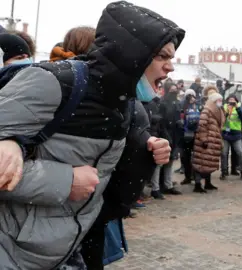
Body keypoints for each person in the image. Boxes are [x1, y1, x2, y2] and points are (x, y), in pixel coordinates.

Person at [0, 1, 181, 269]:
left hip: (72, 249)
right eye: (162, 57)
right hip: (12, 252)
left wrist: (145, 148)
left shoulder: (124, 101)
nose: (170, 68)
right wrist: (65, 180)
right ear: (134, 53)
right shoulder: (54, 82)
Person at [192, 92, 225, 192]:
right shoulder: (207, 110)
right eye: (219, 100)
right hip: (206, 141)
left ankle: (208, 182)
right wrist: (204, 139)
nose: (220, 102)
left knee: (208, 162)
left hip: (213, 140)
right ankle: (197, 184)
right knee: (200, 162)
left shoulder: (218, 110)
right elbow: (202, 125)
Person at [158, 82, 183, 195]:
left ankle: (168, 184)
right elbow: (161, 121)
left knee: (171, 160)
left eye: (175, 90)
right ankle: (159, 184)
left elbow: (179, 116)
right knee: (162, 161)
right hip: (165, 133)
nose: (174, 92)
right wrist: (165, 134)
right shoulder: (162, 103)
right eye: (172, 90)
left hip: (175, 133)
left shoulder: (177, 103)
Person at [220, 94, 242, 181]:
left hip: (236, 134)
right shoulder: (224, 107)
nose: (231, 101)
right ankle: (224, 172)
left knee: (240, 153)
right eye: (230, 100)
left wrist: (237, 108)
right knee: (224, 153)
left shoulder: (239, 107)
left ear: (236, 100)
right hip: (226, 134)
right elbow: (222, 118)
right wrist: (227, 112)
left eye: (233, 100)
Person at [180, 89, 200, 185]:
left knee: (196, 158)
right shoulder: (183, 105)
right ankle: (187, 176)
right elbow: (181, 117)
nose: (191, 97)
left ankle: (196, 178)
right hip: (185, 135)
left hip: (196, 134)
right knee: (185, 158)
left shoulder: (198, 105)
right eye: (189, 96)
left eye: (192, 95)